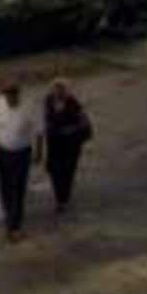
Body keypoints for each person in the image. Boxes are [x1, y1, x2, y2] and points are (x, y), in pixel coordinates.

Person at [0, 77, 44, 242]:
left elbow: (39, 131)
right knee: (5, 186)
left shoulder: (28, 107)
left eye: (13, 93)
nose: (10, 96)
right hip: (2, 152)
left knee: (18, 188)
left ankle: (14, 226)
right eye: (7, 93)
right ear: (4, 94)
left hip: (22, 153)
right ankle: (9, 215)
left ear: (18, 93)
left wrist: (39, 152)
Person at [43, 78, 94, 215]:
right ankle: (60, 197)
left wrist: (70, 130)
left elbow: (84, 123)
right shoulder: (48, 101)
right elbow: (47, 120)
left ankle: (62, 199)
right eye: (56, 88)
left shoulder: (74, 103)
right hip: (54, 144)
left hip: (70, 145)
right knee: (53, 169)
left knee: (67, 171)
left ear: (65, 90)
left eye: (61, 89)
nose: (58, 91)